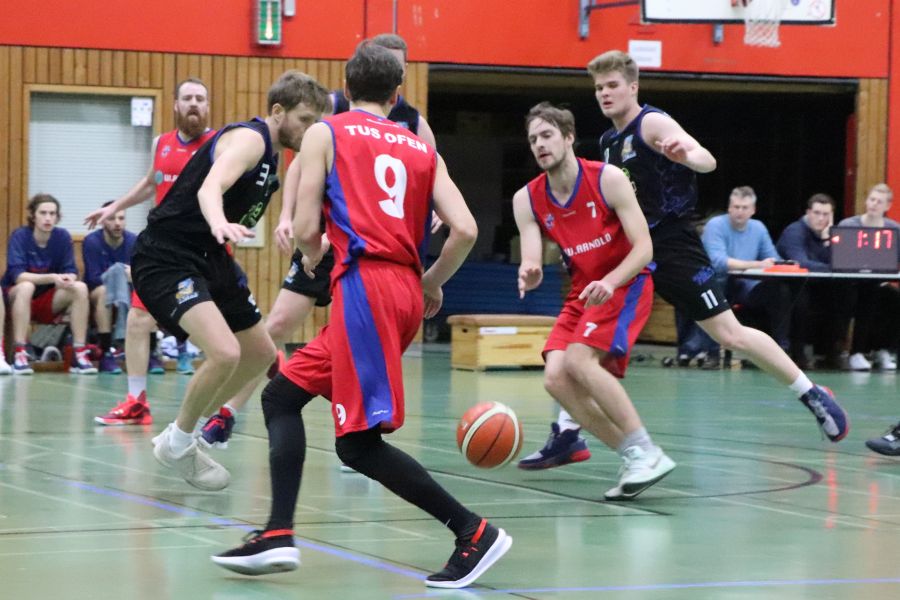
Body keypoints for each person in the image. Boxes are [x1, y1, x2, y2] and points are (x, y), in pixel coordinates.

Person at [213, 43, 510, 589]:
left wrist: (310, 254)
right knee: (280, 397)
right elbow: (465, 229)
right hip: (402, 290)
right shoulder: (421, 147)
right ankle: (277, 532)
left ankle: (474, 532)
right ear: (397, 94)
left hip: (364, 289)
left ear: (345, 89)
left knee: (357, 443)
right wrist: (430, 283)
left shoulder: (328, 132)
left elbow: (306, 228)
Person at [520, 50, 848, 469]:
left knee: (729, 335)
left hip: (672, 246)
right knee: (588, 344)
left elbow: (706, 159)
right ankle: (568, 430)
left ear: (633, 87)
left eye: (613, 85)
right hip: (626, 249)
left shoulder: (651, 123)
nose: (604, 93)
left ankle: (810, 392)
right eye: (599, 88)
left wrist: (686, 156)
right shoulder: (607, 143)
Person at [202, 32, 444, 450]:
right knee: (277, 325)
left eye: (399, 63)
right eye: (385, 59)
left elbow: (431, 178)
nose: (393, 67)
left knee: (362, 346)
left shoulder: (415, 124)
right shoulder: (336, 109)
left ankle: (363, 431)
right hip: (328, 241)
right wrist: (289, 215)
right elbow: (300, 163)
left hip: (378, 256)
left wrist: (433, 215)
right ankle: (228, 412)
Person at [100, 70, 329, 491]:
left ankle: (185, 431)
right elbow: (210, 188)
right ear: (278, 111)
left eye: (317, 122)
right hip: (168, 256)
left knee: (260, 353)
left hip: (209, 258)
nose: (311, 130)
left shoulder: (274, 156)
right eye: (305, 120)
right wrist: (219, 221)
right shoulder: (250, 140)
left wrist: (310, 251)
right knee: (224, 352)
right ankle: (178, 444)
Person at [513, 102, 675, 500]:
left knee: (580, 361)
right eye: (533, 139)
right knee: (555, 378)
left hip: (625, 282)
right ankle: (634, 455)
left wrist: (611, 281)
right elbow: (532, 254)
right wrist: (530, 269)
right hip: (584, 291)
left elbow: (644, 249)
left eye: (547, 135)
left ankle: (647, 450)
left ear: (569, 137)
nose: (539, 144)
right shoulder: (527, 199)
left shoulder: (608, 179)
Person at [90, 78, 217, 425]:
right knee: (138, 319)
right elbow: (151, 183)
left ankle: (226, 401)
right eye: (188, 98)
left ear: (208, 106)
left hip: (204, 253)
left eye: (200, 98)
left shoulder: (219, 145)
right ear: (176, 104)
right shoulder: (161, 143)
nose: (194, 104)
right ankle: (137, 402)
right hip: (163, 252)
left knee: (227, 333)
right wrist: (114, 206)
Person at [2, 194, 97, 375]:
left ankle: (78, 352)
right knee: (26, 286)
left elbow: (71, 270)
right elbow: (18, 276)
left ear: (57, 217)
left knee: (80, 288)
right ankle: (20, 352)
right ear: (33, 216)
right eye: (43, 213)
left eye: (52, 214)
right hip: (16, 298)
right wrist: (53, 277)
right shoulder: (20, 236)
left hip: (47, 300)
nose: (48, 218)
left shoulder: (62, 237)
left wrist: (68, 278)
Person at [701, 186, 793, 354]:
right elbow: (718, 262)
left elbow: (773, 259)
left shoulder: (758, 227)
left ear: (753, 210)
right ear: (729, 208)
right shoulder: (715, 225)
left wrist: (786, 264)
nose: (740, 212)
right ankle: (711, 351)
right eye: (736, 207)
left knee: (782, 293)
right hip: (718, 284)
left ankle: (781, 348)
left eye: (744, 208)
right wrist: (756, 265)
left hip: (748, 286)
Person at [776, 193, 852, 369]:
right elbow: (802, 263)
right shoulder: (794, 231)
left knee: (846, 292)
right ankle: (798, 353)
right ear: (808, 212)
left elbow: (842, 262)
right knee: (800, 296)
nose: (821, 218)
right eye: (817, 213)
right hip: (793, 285)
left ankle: (832, 352)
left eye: (826, 214)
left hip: (820, 285)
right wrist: (832, 267)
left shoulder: (833, 235)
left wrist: (827, 240)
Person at [837, 183, 900, 371]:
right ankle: (853, 352)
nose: (874, 204)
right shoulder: (848, 225)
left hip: (876, 281)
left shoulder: (894, 230)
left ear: (887, 206)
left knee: (892, 298)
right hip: (848, 282)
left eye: (879, 202)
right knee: (861, 297)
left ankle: (883, 349)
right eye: (872, 199)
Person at [82, 201, 137, 373]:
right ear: (102, 221)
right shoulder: (92, 241)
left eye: (121, 218)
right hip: (98, 292)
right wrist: (118, 274)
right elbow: (93, 279)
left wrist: (131, 276)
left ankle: (151, 351)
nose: (117, 223)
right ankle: (106, 352)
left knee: (145, 292)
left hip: (128, 291)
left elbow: (141, 275)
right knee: (106, 290)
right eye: (112, 219)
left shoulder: (134, 241)